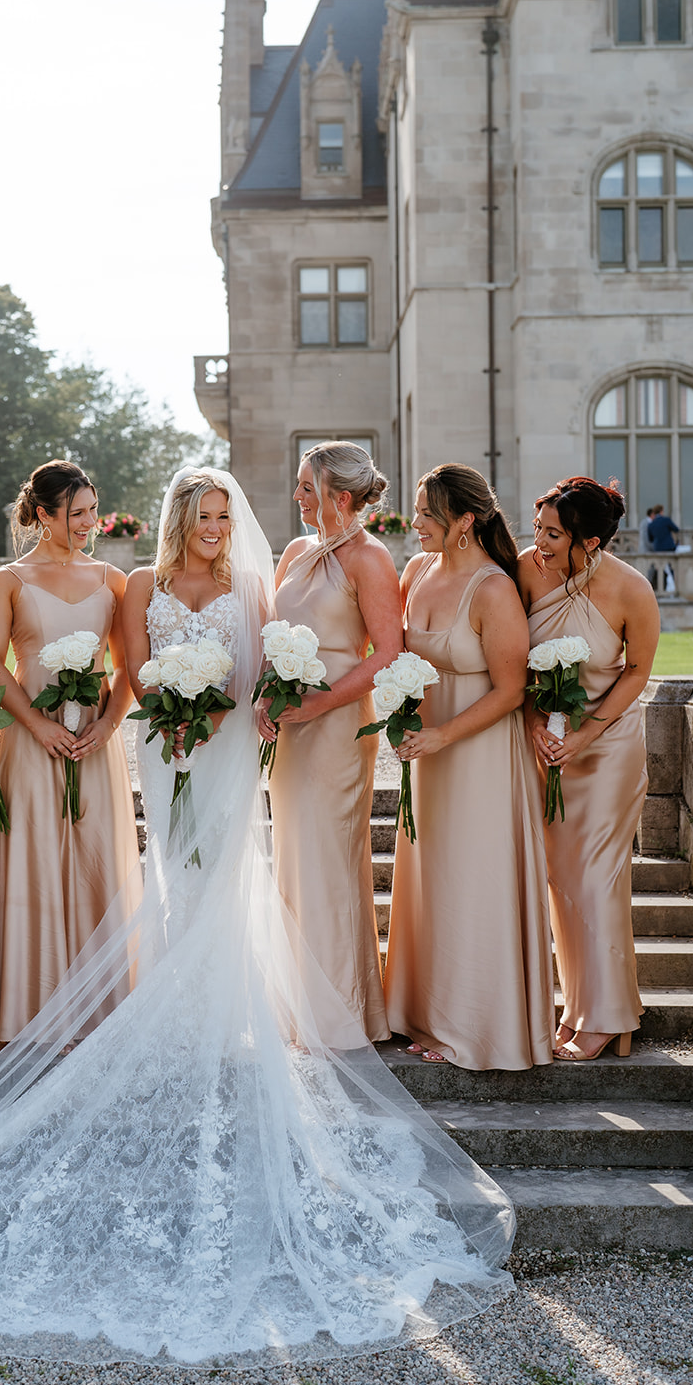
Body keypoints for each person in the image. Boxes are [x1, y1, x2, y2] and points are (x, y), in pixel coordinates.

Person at [0, 467, 515, 1367]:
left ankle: (226, 1014)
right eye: (202, 516)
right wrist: (164, 711)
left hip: (227, 742)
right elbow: (130, 663)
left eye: (223, 516)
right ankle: (172, 1009)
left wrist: (224, 713)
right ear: (178, 521)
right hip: (164, 748)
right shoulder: (142, 585)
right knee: (172, 878)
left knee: (227, 876)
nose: (215, 528)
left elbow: (253, 671)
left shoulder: (251, 584)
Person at [383, 464, 554, 1070]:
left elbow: (511, 691)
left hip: (476, 752)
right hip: (425, 753)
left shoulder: (493, 589)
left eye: (428, 513)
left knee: (472, 880)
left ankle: (475, 1027)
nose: (415, 523)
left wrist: (441, 736)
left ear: (464, 522)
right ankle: (422, 1012)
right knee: (431, 877)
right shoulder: (415, 572)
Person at [0, 461, 139, 1043]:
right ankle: (32, 1005)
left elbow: (126, 668)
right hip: (32, 738)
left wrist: (111, 724)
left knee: (97, 859)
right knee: (35, 860)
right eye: (78, 514)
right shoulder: (7, 582)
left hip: (93, 742)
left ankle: (104, 1008)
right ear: (43, 515)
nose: (90, 523)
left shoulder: (112, 580)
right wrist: (37, 727)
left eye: (94, 510)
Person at [257, 442, 402, 1044]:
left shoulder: (370, 559)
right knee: (295, 861)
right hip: (290, 734)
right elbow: (270, 634)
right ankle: (296, 1007)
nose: (296, 496)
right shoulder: (294, 551)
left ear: (340, 498)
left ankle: (338, 1015)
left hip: (339, 727)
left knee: (328, 864)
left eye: (305, 487)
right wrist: (269, 694)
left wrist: (317, 702)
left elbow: (389, 653)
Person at [519, 476, 660, 1062]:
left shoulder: (632, 590)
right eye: (539, 529)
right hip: (546, 746)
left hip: (607, 747)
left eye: (554, 534)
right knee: (560, 879)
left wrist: (588, 732)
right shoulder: (528, 572)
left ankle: (607, 1017)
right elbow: (510, 653)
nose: (540, 544)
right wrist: (532, 720)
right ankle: (580, 1005)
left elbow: (636, 671)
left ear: (592, 540)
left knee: (597, 877)